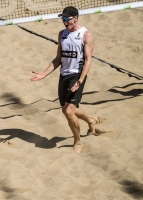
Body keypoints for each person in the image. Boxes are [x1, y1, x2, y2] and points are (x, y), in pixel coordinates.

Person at [30, 6, 100, 153]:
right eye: (63, 18)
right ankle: (91, 120)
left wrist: (80, 80)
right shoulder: (62, 34)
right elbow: (58, 59)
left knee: (69, 111)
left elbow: (88, 60)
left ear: (75, 18)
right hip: (64, 75)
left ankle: (78, 141)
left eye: (67, 19)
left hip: (77, 75)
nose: (64, 21)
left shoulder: (85, 35)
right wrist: (44, 73)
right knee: (66, 110)